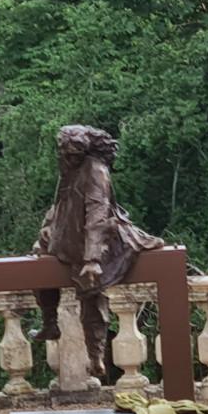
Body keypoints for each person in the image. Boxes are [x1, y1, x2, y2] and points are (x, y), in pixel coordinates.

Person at [31, 125, 163, 377]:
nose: (65, 158)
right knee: (39, 265)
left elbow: (97, 214)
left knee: (91, 291)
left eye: (71, 154)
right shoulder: (68, 168)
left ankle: (96, 356)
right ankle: (49, 321)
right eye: (63, 152)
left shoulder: (95, 171)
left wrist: (92, 258)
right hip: (68, 233)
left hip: (100, 238)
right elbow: (59, 203)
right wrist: (47, 229)